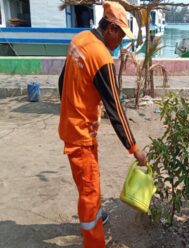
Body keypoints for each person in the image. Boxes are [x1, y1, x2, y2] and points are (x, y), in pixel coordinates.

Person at [58, 2, 147, 247]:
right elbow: (115, 109)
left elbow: (62, 81)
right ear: (111, 30)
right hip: (81, 136)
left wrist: (71, 107)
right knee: (89, 191)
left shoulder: (79, 39)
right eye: (120, 36)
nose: (120, 42)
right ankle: (94, 240)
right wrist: (134, 148)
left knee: (89, 182)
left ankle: (96, 214)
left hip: (71, 128)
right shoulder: (101, 57)